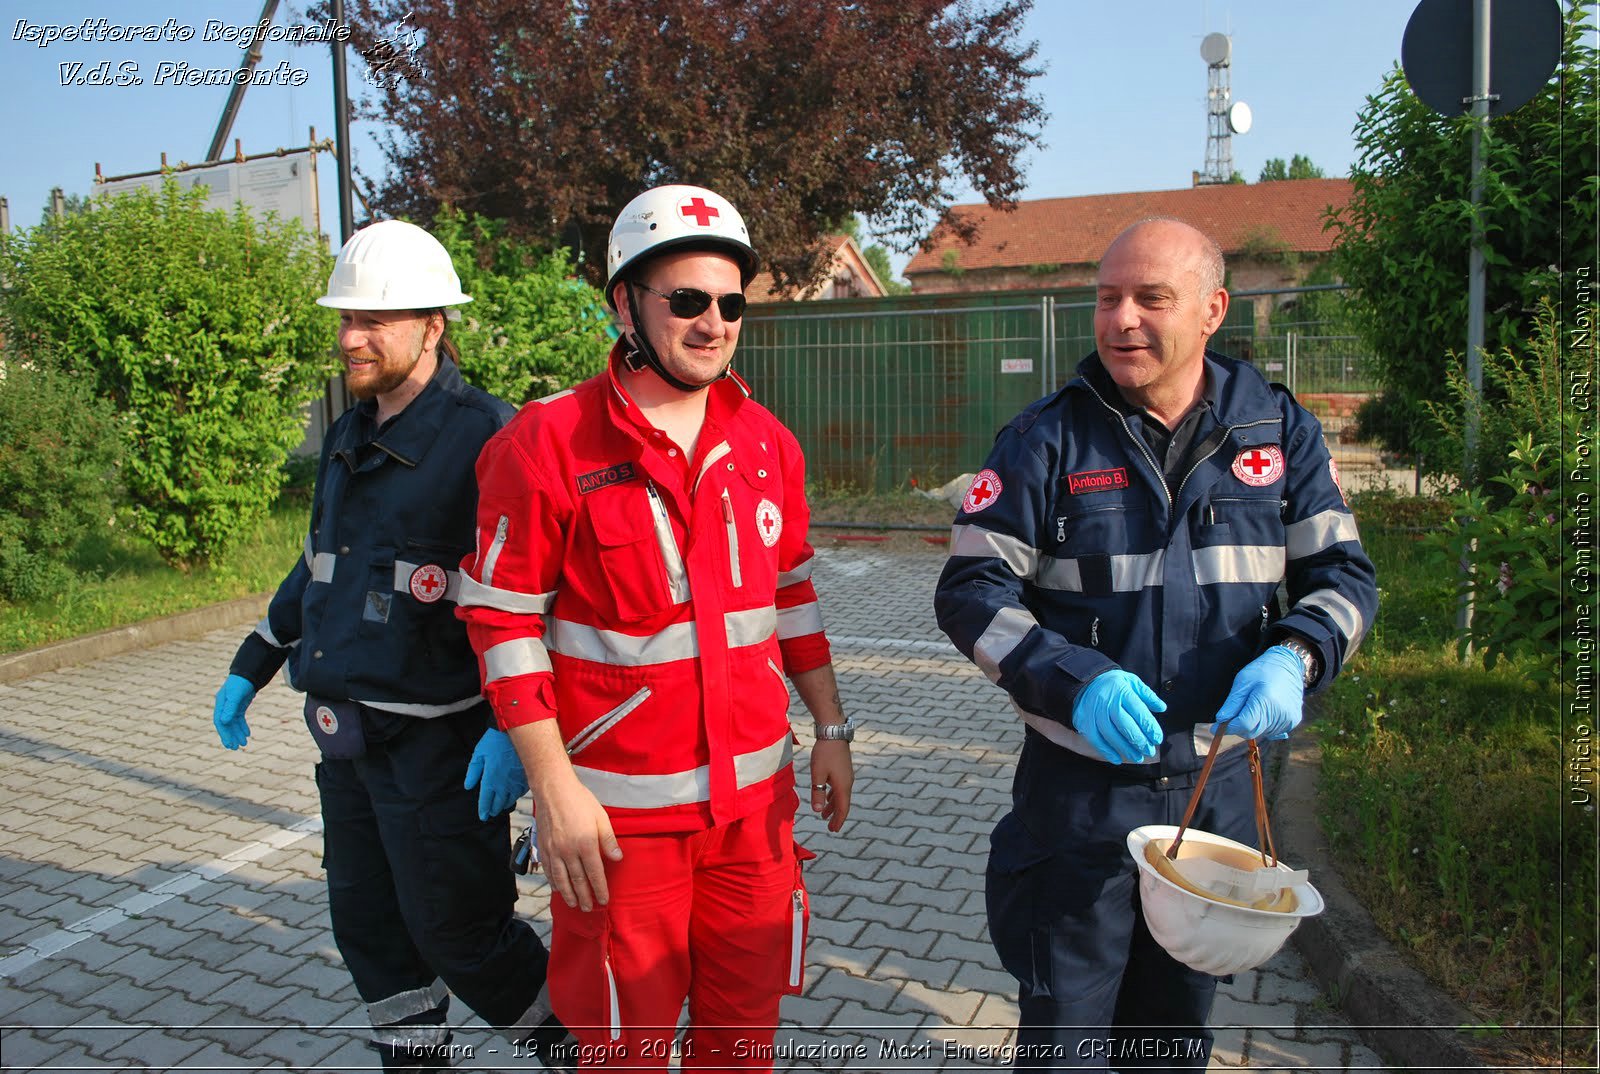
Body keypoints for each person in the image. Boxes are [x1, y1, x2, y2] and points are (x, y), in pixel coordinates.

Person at [933, 218, 1378, 1070]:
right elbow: (970, 590)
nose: (1122, 320)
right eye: (1107, 299)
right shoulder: (1046, 440)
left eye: (1150, 298)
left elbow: (1344, 580)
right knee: (1065, 1045)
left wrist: (1298, 657)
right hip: (1080, 805)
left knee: (1169, 1041)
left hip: (1213, 804)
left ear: (1212, 310)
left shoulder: (1277, 435)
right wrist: (1073, 682)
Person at [455, 184, 854, 1071]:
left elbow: (790, 596)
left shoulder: (767, 446)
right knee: (617, 1055)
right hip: (617, 835)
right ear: (624, 305)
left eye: (730, 303)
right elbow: (503, 621)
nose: (713, 321)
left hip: (753, 828)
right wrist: (551, 789)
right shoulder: (546, 443)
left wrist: (830, 726)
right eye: (687, 300)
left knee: (741, 1049)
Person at [210, 220, 573, 1072]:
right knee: (371, 934)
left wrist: (516, 728)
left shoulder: (494, 437)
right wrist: (253, 663)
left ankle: (586, 1055)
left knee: (463, 937)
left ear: (433, 326)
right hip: (348, 741)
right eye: (345, 319)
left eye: (375, 320)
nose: (351, 338)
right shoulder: (348, 434)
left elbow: (545, 596)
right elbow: (320, 569)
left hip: (444, 748)